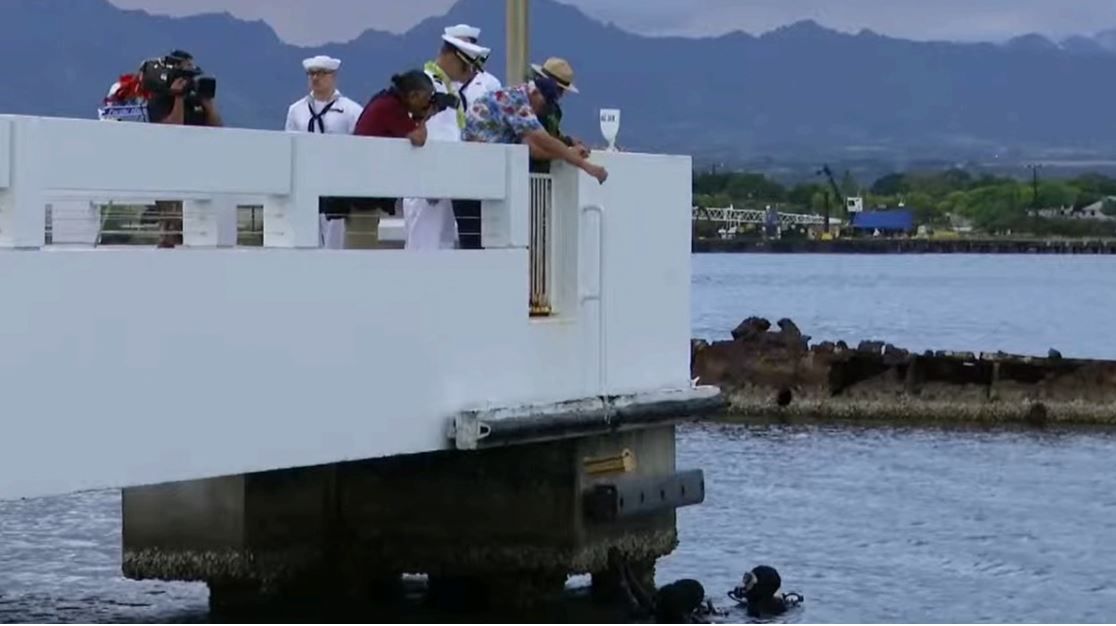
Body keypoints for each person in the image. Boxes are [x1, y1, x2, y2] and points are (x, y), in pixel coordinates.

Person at [396, 32, 490, 250]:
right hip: (427, 182)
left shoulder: (447, 87)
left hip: (446, 180)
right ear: (451, 57)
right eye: (465, 66)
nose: (469, 73)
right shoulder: (426, 84)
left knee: (442, 247)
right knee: (424, 247)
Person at [463, 57, 608, 185]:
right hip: (478, 169)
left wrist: (567, 146)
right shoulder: (516, 102)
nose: (547, 108)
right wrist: (586, 165)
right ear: (535, 93)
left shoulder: (518, 96)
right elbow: (541, 142)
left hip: (485, 167)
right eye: (547, 103)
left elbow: (535, 146)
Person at [141, 50, 223, 248]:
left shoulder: (195, 98)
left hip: (197, 166)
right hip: (170, 168)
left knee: (200, 229)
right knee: (172, 228)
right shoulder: (159, 99)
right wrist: (177, 97)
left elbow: (218, 129)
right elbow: (171, 129)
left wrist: (208, 105)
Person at [284, 55, 362, 249]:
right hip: (306, 181)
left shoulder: (351, 110)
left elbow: (360, 149)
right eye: (311, 74)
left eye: (321, 73)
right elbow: (288, 145)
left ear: (333, 76)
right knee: (305, 241)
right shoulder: (296, 110)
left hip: (336, 185)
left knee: (335, 242)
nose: (315, 78)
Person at [443, 24, 503, 250]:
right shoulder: (441, 81)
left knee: (477, 233)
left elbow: (497, 122)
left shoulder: (489, 83)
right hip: (451, 161)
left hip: (479, 165)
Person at [528, 58, 591, 174]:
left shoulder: (554, 110)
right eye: (559, 90)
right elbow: (535, 147)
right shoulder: (528, 107)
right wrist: (568, 153)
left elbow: (549, 137)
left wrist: (569, 141)